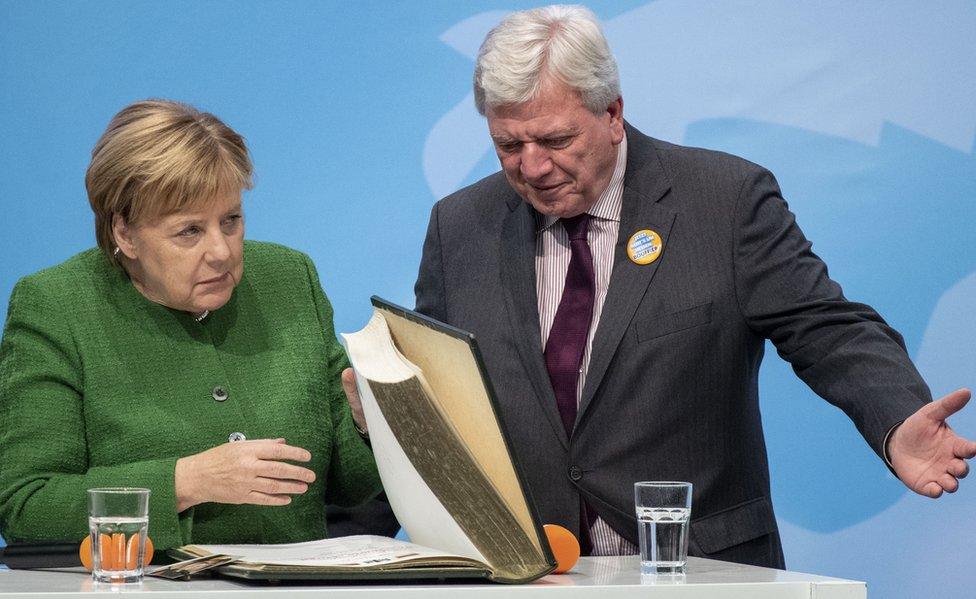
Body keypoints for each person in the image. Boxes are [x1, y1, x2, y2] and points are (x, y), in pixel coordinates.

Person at [345, 5, 976, 568]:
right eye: (509, 145)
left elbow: (826, 329)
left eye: (556, 139)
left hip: (694, 567)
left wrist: (895, 419)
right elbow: (447, 391)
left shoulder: (723, 202)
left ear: (613, 113)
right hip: (525, 571)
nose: (532, 167)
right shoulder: (459, 225)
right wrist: (386, 409)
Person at [0, 100, 381, 551]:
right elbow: (26, 505)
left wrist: (373, 429)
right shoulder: (59, 306)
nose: (221, 251)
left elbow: (357, 488)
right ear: (125, 233)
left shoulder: (289, 280)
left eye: (231, 221)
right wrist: (186, 481)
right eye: (189, 231)